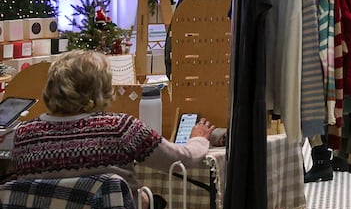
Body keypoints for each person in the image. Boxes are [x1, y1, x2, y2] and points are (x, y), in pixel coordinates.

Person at [5, 49, 214, 188]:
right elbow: (180, 160)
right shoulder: (121, 128)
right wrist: (199, 138)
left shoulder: (24, 135)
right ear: (102, 89)